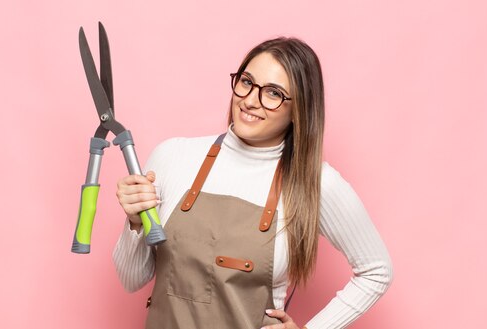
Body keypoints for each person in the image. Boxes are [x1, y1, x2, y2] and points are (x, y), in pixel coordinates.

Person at [112, 37, 394, 329]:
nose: (249, 100)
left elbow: (377, 270)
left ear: (300, 109)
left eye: (273, 93)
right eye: (246, 81)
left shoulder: (316, 184)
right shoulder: (172, 156)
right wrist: (134, 223)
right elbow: (131, 280)